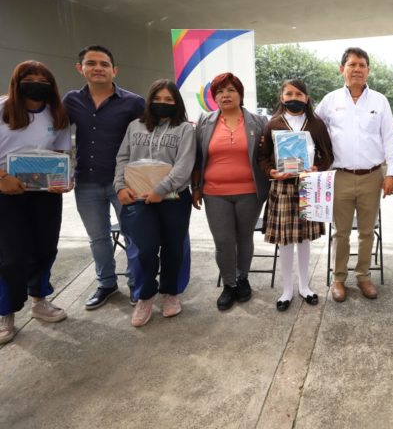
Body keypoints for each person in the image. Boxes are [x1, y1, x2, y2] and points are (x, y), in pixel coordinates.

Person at [63, 45, 145, 310]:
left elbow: (148, 138)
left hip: (124, 183)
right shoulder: (71, 101)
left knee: (133, 236)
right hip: (86, 183)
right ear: (80, 68)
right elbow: (54, 132)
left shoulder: (133, 102)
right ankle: (107, 284)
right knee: (98, 238)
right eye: (91, 63)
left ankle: (136, 284)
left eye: (104, 64)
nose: (98, 68)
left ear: (114, 70)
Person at [315, 47, 393, 303]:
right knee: (340, 232)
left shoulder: (379, 101)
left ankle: (363, 276)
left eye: (362, 65)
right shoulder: (330, 101)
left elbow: (389, 138)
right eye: (352, 65)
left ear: (368, 70)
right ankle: (338, 279)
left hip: (372, 177)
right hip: (339, 176)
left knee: (366, 231)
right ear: (342, 69)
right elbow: (314, 133)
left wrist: (391, 173)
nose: (357, 69)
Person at [0, 61, 71, 344]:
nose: (37, 83)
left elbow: (61, 153)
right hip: (6, 193)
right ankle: (5, 312)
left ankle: (39, 300)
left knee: (45, 248)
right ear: (17, 82)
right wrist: (2, 177)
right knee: (11, 256)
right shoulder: (3, 108)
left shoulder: (57, 114)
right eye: (30, 78)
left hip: (45, 193)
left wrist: (64, 178)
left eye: (44, 79)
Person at [114, 80, 194, 327]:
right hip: (137, 199)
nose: (163, 103)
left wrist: (160, 190)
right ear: (149, 101)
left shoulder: (185, 129)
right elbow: (123, 158)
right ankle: (145, 296)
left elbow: (184, 165)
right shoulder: (134, 126)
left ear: (177, 103)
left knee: (173, 248)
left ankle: (171, 293)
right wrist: (119, 186)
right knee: (144, 249)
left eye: (169, 99)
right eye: (158, 99)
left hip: (173, 198)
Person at [192, 72, 269, 311]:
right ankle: (229, 283)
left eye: (231, 90)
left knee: (244, 237)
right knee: (223, 240)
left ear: (240, 94)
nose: (225, 95)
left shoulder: (258, 122)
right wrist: (196, 188)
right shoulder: (205, 122)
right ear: (214, 97)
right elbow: (197, 158)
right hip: (214, 193)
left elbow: (267, 154)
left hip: (250, 192)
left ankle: (242, 278)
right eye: (220, 91)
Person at [258, 79, 333, 311]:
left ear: (306, 98)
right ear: (282, 98)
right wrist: (271, 171)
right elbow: (263, 157)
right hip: (283, 187)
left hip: (308, 186)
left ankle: (304, 286)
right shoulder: (273, 124)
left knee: (304, 239)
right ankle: (287, 290)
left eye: (299, 94)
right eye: (289, 94)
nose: (294, 98)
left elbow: (328, 155)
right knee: (285, 240)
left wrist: (317, 168)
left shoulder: (316, 124)